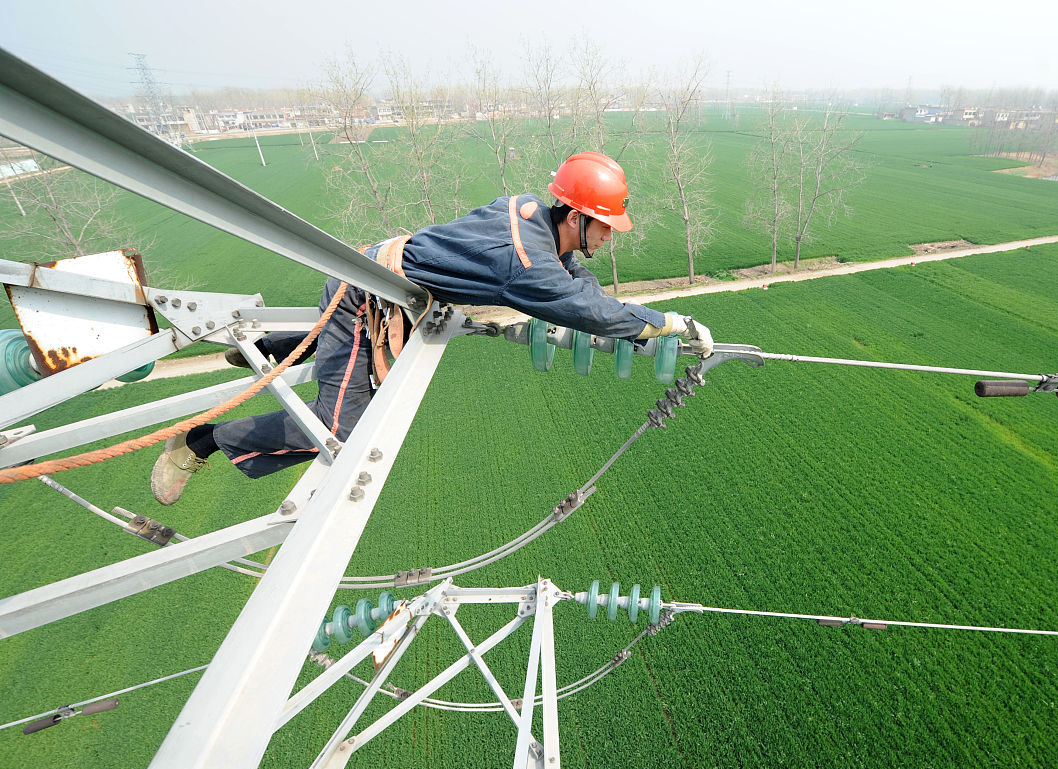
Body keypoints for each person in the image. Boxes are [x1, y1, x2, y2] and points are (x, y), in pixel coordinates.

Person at [151, 152, 714, 505]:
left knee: (342, 359)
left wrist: (639, 317)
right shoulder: (524, 261)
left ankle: (270, 348)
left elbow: (572, 281)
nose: (610, 237)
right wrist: (664, 324)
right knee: (340, 428)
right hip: (365, 297)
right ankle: (202, 440)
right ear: (575, 217)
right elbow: (581, 307)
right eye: (606, 227)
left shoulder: (527, 214)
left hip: (387, 282)